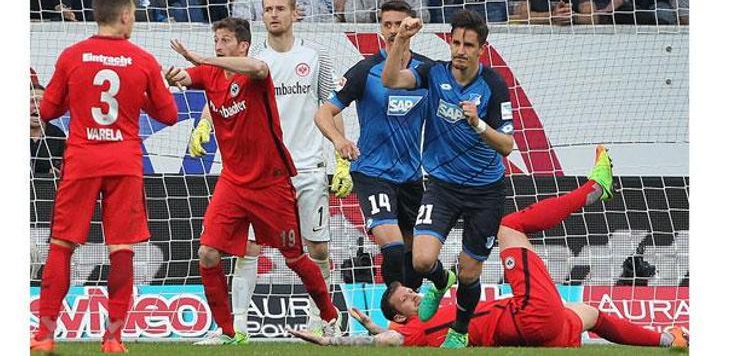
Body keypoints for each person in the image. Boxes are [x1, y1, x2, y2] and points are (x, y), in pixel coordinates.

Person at [289, 146, 690, 350]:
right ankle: (592, 190)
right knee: (509, 227)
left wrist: (380, 327)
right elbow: (388, 341)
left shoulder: (417, 324)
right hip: (528, 316)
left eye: (407, 289)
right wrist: (336, 341)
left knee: (589, 313)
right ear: (402, 317)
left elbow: (389, 335)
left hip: (541, 334)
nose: (412, 292)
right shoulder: (409, 336)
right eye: (405, 299)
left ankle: (669, 341)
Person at [164, 16, 341, 346]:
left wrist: (202, 58)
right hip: (233, 182)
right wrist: (174, 75)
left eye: (226, 40)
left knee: (295, 258)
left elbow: (258, 68)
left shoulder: (257, 74)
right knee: (207, 253)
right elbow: (187, 77)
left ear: (242, 45)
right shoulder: (210, 74)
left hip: (270, 182)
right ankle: (228, 331)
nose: (218, 46)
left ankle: (330, 316)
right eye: (216, 40)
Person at [30, 0, 179, 354]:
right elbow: (170, 114)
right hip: (124, 163)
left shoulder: (71, 55)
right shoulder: (144, 60)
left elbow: (46, 111)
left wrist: (76, 100)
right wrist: (138, 98)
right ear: (126, 15)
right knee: (121, 249)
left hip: (81, 160)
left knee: (62, 244)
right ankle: (113, 338)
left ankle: (44, 335)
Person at [381, 10, 514, 347]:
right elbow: (391, 80)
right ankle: (440, 280)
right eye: (455, 42)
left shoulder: (494, 86)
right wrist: (402, 38)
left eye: (468, 45)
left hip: (486, 190)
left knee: (471, 272)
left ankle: (459, 330)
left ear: (481, 49)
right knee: (422, 259)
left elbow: (508, 145)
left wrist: (479, 125)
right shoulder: (433, 73)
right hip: (442, 185)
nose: (460, 50)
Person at [315, 0, 432, 290]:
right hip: (372, 173)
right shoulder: (365, 71)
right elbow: (323, 113)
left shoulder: (427, 71)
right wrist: (339, 139)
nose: (393, 31)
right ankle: (394, 316)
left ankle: (409, 321)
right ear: (380, 29)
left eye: (399, 24)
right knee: (391, 248)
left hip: (411, 177)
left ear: (412, 27)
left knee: (416, 259)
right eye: (387, 24)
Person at [30, 83, 66, 176]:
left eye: (42, 102)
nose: (37, 106)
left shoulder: (58, 136)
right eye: (32, 101)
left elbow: (66, 166)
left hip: (47, 189)